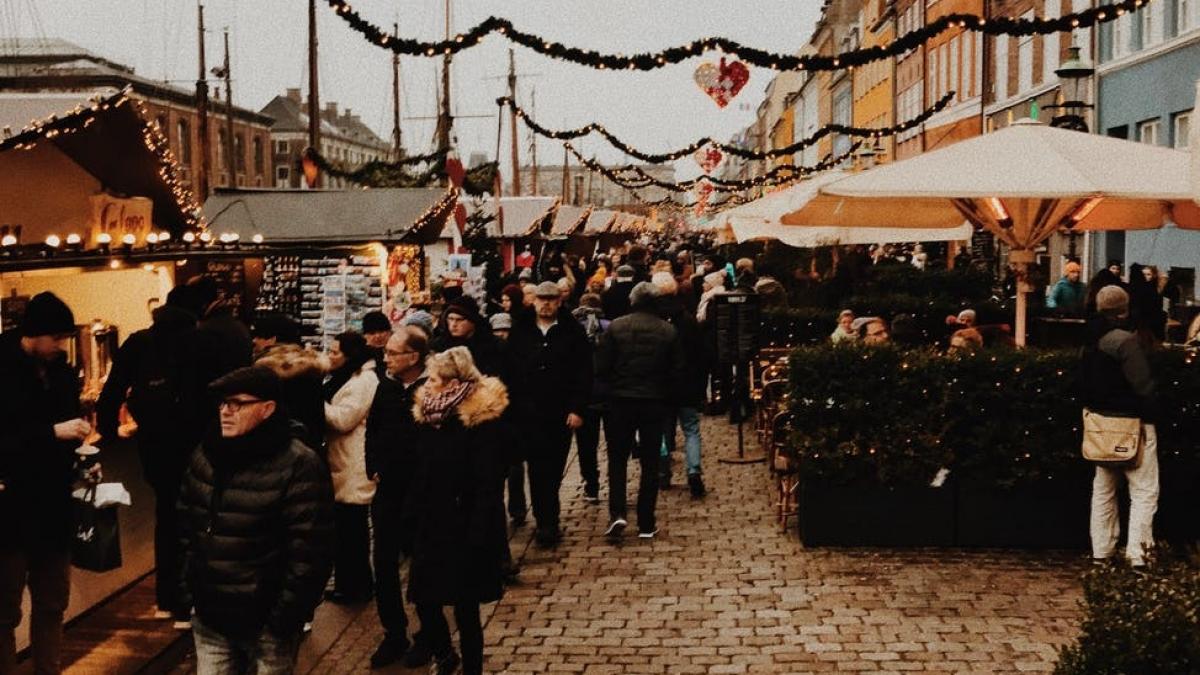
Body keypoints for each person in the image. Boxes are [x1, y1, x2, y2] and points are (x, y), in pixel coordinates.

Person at [177, 366, 334, 675]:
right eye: (223, 403)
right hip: (210, 617)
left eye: (238, 403)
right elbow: (184, 528)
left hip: (266, 623)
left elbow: (311, 552)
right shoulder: (206, 455)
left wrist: (283, 617)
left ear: (267, 409)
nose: (226, 411)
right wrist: (189, 594)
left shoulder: (299, 464)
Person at [96, 286, 205, 627]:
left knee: (167, 517)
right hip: (195, 444)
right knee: (196, 521)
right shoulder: (199, 341)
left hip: (155, 445)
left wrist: (108, 432)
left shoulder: (140, 341)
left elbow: (112, 391)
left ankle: (166, 600)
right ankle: (190, 603)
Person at [0, 293, 96, 675]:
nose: (60, 345)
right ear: (33, 333)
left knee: (53, 603)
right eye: (55, 338)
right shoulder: (4, 370)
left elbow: (69, 426)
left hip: (54, 505)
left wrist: (82, 459)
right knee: (5, 611)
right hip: (9, 509)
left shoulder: (61, 372)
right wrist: (52, 432)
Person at [406, 348, 509, 675]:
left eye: (433, 379)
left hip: (465, 522)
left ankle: (472, 669)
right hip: (431, 520)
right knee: (424, 599)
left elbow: (488, 480)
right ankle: (444, 653)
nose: (427, 385)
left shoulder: (479, 420)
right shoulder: (428, 415)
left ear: (453, 384)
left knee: (466, 608)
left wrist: (478, 529)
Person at [596, 282, 685, 540]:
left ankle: (617, 512)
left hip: (620, 401)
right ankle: (646, 520)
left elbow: (601, 367)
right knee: (650, 462)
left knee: (617, 460)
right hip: (653, 402)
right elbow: (677, 369)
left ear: (632, 301)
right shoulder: (667, 330)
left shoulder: (616, 327)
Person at [506, 282, 592, 547]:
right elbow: (510, 371)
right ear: (533, 301)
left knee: (553, 467)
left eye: (551, 299)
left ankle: (549, 517)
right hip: (528, 412)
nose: (545, 304)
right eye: (541, 299)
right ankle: (545, 522)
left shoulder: (572, 331)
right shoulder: (521, 331)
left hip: (559, 411)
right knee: (536, 466)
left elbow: (583, 372)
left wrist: (577, 408)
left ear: (559, 302)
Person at [363, 327, 429, 669]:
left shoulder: (432, 388)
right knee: (384, 562)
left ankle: (429, 634)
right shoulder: (386, 387)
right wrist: (372, 465)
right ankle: (394, 632)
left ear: (413, 357)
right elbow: (373, 429)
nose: (385, 357)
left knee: (423, 564)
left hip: (422, 491)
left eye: (392, 352)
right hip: (388, 488)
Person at [1081, 286, 1159, 567]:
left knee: (1103, 489)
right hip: (1132, 423)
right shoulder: (1125, 342)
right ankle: (1138, 554)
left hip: (1100, 423)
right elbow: (1143, 385)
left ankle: (1101, 550)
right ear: (1124, 309)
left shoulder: (1089, 339)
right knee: (1143, 490)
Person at [323, 332, 379, 604]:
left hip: (353, 461)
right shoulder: (347, 377)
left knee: (352, 530)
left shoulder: (363, 381)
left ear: (349, 355)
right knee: (346, 529)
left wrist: (317, 403)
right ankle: (350, 584)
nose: (330, 356)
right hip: (343, 460)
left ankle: (357, 587)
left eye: (335, 352)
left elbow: (344, 419)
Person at [652, 272, 708, 498]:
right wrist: (700, 386)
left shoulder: (653, 320)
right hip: (687, 385)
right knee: (691, 429)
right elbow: (700, 355)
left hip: (661, 386)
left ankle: (663, 470)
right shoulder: (687, 319)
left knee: (662, 430)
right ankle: (693, 471)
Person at [571, 293, 610, 503]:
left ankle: (591, 484)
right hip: (609, 393)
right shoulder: (610, 327)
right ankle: (616, 483)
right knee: (615, 444)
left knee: (586, 445)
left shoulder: (573, 329)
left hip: (584, 395)